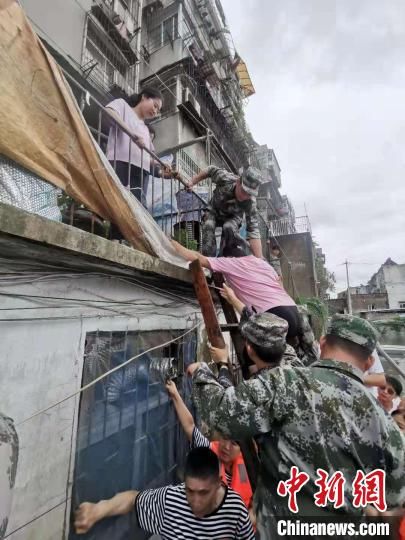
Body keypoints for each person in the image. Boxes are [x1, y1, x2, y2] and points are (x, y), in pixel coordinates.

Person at [188, 314, 405, 538]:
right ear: (369, 362)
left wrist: (201, 372)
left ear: (322, 344)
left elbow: (221, 413)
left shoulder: (285, 384)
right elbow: (390, 500)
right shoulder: (386, 425)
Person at [74, 446, 254, 539]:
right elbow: (133, 499)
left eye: (204, 493)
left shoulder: (235, 509)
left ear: (218, 484)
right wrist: (99, 510)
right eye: (190, 491)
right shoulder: (171, 500)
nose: (196, 501)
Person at [172, 237, 301, 346]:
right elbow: (279, 283)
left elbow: (197, 258)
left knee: (260, 356)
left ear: (228, 256)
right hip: (294, 311)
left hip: (273, 315)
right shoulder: (262, 263)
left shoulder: (231, 262)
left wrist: (171, 243)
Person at [165, 379, 253, 513]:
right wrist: (175, 394)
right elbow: (190, 427)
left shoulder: (251, 465)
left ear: (243, 449)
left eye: (234, 444)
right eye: (225, 438)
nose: (226, 447)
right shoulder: (209, 450)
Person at [184, 165, 263, 258]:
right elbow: (210, 170)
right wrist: (193, 181)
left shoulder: (250, 203)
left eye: (249, 194)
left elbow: (253, 230)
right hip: (214, 211)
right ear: (238, 182)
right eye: (243, 191)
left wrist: (260, 260)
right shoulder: (226, 179)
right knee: (208, 226)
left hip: (232, 218)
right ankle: (208, 262)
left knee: (229, 228)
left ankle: (224, 261)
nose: (245, 196)